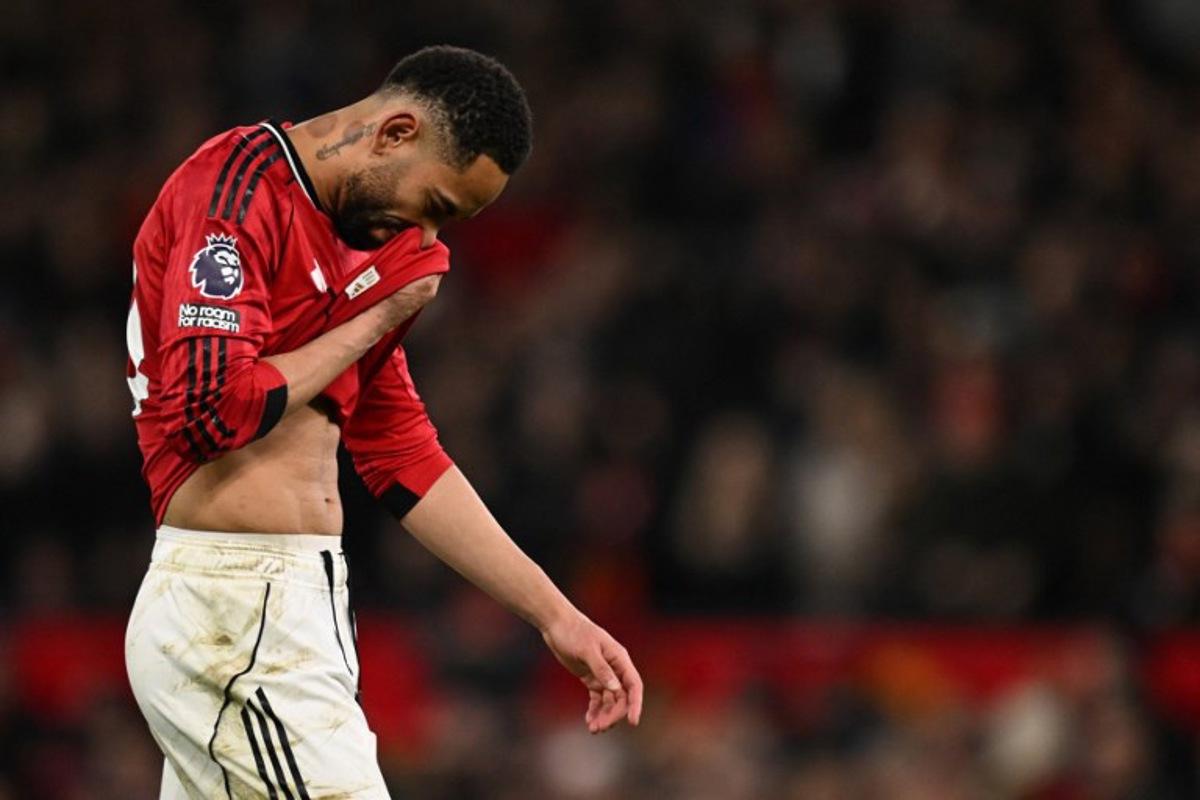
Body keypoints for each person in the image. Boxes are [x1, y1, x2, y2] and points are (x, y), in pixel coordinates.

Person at [122, 45, 643, 799]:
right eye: (435, 206)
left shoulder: (363, 250)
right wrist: (377, 318)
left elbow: (400, 453)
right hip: (232, 608)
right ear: (396, 133)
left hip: (293, 609)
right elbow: (210, 412)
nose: (430, 238)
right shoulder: (235, 190)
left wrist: (556, 616)